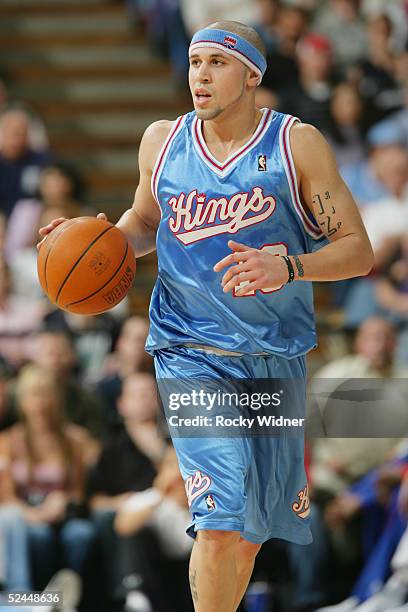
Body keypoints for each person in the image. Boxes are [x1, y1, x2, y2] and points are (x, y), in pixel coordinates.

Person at [39, 19, 374, 612]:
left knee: (248, 538)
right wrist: (85, 243)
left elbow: (358, 250)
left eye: (217, 63)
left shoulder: (296, 146)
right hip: (191, 349)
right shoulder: (162, 141)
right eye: (195, 63)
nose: (200, 75)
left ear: (251, 75)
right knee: (218, 524)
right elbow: (142, 226)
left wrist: (291, 266)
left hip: (274, 358)